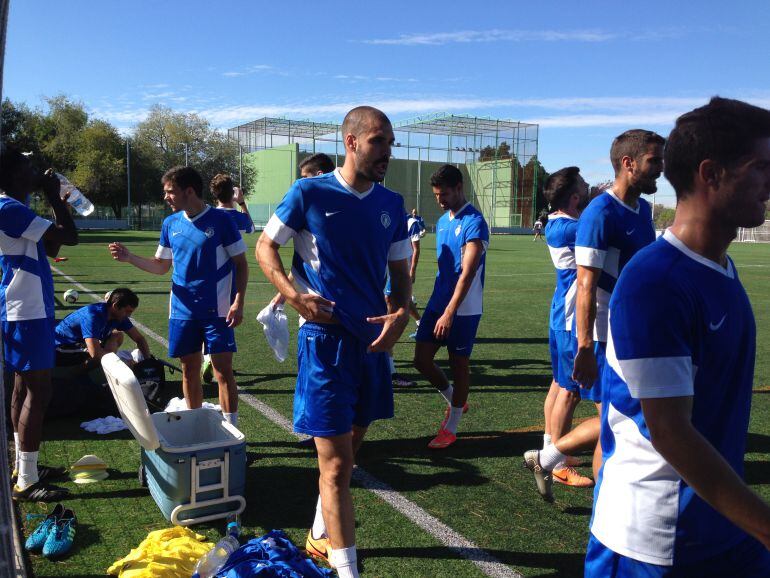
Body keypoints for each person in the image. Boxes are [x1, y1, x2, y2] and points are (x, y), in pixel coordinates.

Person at [586, 97, 770, 576]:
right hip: (654, 542)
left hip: (718, 522)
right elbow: (669, 430)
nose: (769, 181)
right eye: (760, 167)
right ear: (711, 174)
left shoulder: (720, 269)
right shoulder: (659, 280)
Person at [256, 106, 411, 578]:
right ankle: (348, 571)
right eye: (378, 141)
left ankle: (320, 532)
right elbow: (266, 247)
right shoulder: (309, 192)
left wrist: (402, 312)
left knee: (349, 454)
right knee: (338, 467)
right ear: (351, 141)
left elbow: (401, 272)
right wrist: (293, 295)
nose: (387, 151)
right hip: (324, 342)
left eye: (390, 142)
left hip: (373, 346)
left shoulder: (392, 204)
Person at [524, 128, 665, 499]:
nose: (661, 169)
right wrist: (585, 345)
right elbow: (587, 284)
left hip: (628, 328)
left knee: (612, 416)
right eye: (654, 162)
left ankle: (549, 456)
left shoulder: (644, 209)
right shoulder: (599, 213)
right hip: (600, 332)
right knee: (609, 418)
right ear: (628, 163)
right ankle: (567, 471)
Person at [109, 166, 248, 426]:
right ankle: (195, 426)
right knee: (189, 370)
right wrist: (129, 258)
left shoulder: (222, 221)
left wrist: (238, 301)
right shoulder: (170, 223)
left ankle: (232, 430)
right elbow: (161, 266)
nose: (166, 197)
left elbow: (241, 263)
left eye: (170, 192)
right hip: (182, 311)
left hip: (217, 310)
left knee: (222, 371)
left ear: (189, 191)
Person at [0, 146, 79, 501]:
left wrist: (49, 200)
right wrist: (55, 197)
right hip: (26, 310)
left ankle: (23, 466)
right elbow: (69, 235)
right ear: (12, 173)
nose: (35, 171)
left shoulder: (13, 208)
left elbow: (49, 247)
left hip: (24, 309)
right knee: (38, 390)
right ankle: (27, 480)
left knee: (22, 387)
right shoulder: (8, 208)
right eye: (27, 165)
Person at [413, 164, 489, 450]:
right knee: (421, 360)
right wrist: (439, 306)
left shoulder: (475, 221)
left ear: (459, 188)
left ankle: (452, 426)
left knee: (459, 365)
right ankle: (455, 400)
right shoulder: (443, 221)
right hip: (438, 302)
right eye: (435, 195)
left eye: (444, 193)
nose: (440, 200)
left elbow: (467, 273)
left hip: (464, 307)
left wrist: (450, 311)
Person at [540, 167, 593, 488]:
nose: (589, 187)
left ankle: (553, 448)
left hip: (563, 314)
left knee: (559, 386)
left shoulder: (558, 223)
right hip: (572, 318)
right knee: (570, 391)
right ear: (575, 196)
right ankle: (557, 461)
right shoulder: (572, 229)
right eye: (584, 185)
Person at [200, 173, 255, 383]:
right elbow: (250, 227)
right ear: (232, 192)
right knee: (227, 319)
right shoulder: (237, 217)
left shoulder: (210, 215)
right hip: (232, 274)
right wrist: (241, 202)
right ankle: (214, 358)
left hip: (208, 275)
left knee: (209, 318)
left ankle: (208, 355)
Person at [269, 153, 336, 310]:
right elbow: (307, 258)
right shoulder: (304, 205)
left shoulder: (350, 203)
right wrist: (285, 294)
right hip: (318, 307)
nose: (300, 182)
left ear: (319, 175)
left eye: (305, 177)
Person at [54, 287, 151, 368]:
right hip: (62, 348)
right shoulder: (93, 316)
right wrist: (122, 365)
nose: (129, 315)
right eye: (127, 311)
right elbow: (95, 354)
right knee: (99, 358)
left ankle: (104, 366)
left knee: (117, 335)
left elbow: (139, 338)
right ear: (116, 306)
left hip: (81, 344)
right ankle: (77, 375)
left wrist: (148, 360)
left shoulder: (119, 315)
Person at [385, 211, 422, 386]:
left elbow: (416, 249)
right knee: (390, 315)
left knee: (392, 316)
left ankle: (389, 371)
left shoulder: (408, 222)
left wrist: (411, 271)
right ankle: (388, 370)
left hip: (396, 273)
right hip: (384, 274)